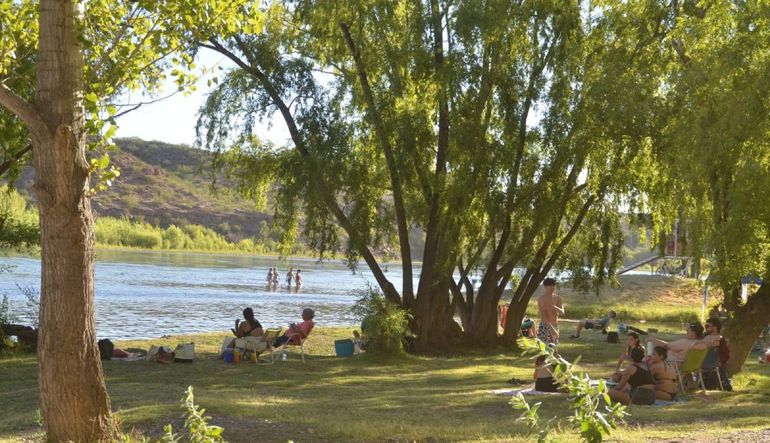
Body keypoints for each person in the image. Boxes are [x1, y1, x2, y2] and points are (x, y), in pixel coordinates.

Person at [704, 317, 732, 391]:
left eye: (708, 326)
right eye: (705, 326)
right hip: (707, 361)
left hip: (711, 363)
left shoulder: (718, 338)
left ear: (715, 327)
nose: (706, 328)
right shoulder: (706, 336)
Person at [537, 278, 563, 346]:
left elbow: (562, 312)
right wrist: (551, 328)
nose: (552, 287)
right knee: (544, 350)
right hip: (545, 326)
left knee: (554, 349)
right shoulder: (541, 299)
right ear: (545, 287)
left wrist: (555, 307)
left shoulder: (558, 298)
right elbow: (543, 315)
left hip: (555, 325)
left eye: (553, 285)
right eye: (550, 286)